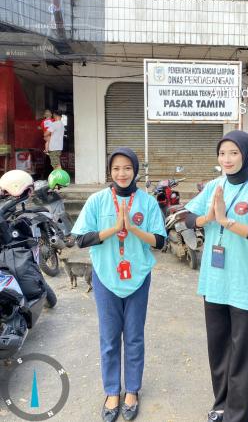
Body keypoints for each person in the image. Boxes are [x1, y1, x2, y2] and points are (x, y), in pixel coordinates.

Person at [185, 131, 248, 422]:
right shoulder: (214, 186)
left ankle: (239, 415)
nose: (226, 159)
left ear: (247, 155)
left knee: (243, 353)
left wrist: (227, 221)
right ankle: (221, 405)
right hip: (214, 281)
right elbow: (188, 217)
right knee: (218, 348)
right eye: (222, 153)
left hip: (245, 281)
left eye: (234, 153)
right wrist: (208, 218)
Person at [72, 147, 166, 422]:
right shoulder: (97, 200)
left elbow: (160, 242)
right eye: (116, 168)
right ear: (109, 172)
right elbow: (80, 239)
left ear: (135, 170)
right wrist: (114, 228)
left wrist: (134, 229)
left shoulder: (147, 202)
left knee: (134, 336)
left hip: (137, 278)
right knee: (110, 337)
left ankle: (132, 390)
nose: (122, 173)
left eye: (127, 168)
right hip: (106, 278)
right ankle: (112, 391)